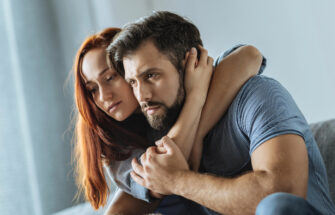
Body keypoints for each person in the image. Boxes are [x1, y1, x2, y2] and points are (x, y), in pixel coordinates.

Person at [108, 11, 335, 215]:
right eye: (132, 82)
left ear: (192, 63)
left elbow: (283, 195)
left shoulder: (257, 95)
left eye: (151, 76)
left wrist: (178, 180)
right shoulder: (163, 135)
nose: (142, 95)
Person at [73, 26, 263, 214]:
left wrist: (198, 131)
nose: (104, 96)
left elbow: (250, 55)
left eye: (109, 78)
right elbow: (164, 171)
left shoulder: (175, 88)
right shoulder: (116, 148)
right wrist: (196, 98)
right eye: (93, 89)